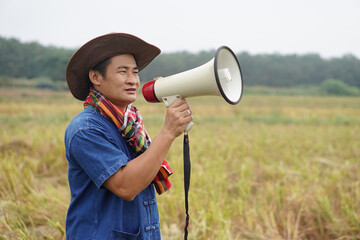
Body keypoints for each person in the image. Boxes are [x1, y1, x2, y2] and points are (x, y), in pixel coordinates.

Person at [64, 33, 193, 239]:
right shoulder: (85, 129)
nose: (132, 80)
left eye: (135, 72)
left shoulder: (130, 126)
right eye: (123, 72)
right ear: (96, 77)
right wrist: (168, 132)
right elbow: (126, 186)